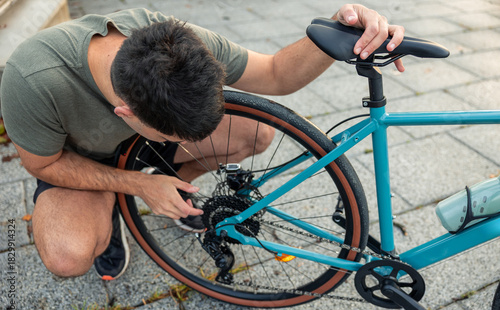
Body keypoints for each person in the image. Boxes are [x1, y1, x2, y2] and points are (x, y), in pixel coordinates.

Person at [0, 4, 405, 280]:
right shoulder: (32, 79)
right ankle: (113, 207)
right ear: (126, 113)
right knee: (68, 257)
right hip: (79, 157)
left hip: (141, 142)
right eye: (178, 139)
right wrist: (137, 185)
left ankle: (167, 183)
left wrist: (342, 31)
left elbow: (278, 74)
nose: (195, 143)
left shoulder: (180, 44)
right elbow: (42, 165)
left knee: (256, 131)